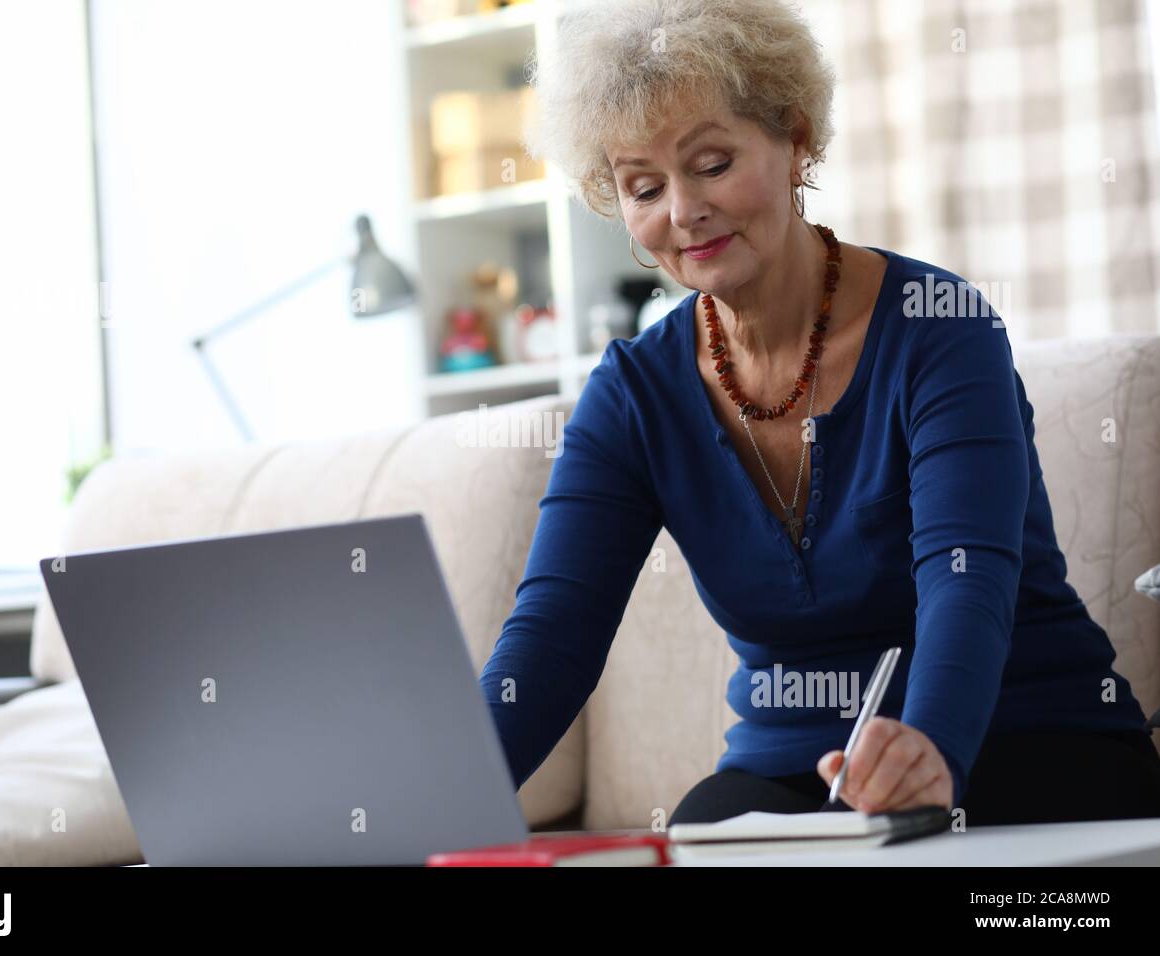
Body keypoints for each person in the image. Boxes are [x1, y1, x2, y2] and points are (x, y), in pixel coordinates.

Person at [478, 0, 1160, 827]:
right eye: (644, 186)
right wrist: (432, 799)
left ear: (796, 139)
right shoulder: (631, 396)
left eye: (713, 162)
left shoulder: (942, 329)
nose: (683, 210)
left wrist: (930, 746)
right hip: (796, 774)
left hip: (1026, 738)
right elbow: (551, 641)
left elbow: (966, 579)